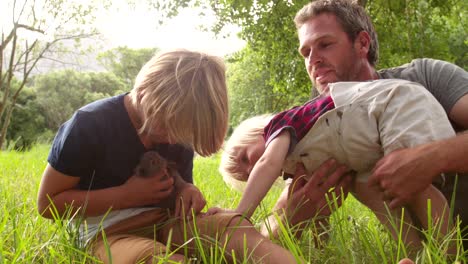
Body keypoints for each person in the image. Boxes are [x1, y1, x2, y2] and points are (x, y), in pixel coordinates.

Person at [36, 49, 301, 264]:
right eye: (168, 127)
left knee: (234, 229)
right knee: (152, 258)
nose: (174, 140)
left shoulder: (178, 130)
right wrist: (125, 196)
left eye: (182, 133)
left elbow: (178, 184)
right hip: (107, 234)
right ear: (147, 95)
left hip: (168, 223)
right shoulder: (89, 125)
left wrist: (186, 190)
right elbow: (48, 205)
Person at [256, 0, 468, 247]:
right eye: (305, 53)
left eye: (324, 45)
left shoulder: (423, 76)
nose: (313, 60)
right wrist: (293, 215)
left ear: (363, 43)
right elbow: (265, 234)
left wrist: (432, 157)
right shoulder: (318, 121)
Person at [213, 78, 454, 249]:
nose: (250, 168)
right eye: (246, 175)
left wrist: (240, 215)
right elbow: (318, 207)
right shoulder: (295, 167)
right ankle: (414, 251)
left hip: (390, 104)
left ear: (257, 133)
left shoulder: (278, 128)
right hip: (365, 147)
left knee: (413, 183)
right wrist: (320, 241)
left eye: (245, 157)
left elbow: (267, 163)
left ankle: (450, 251)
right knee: (372, 192)